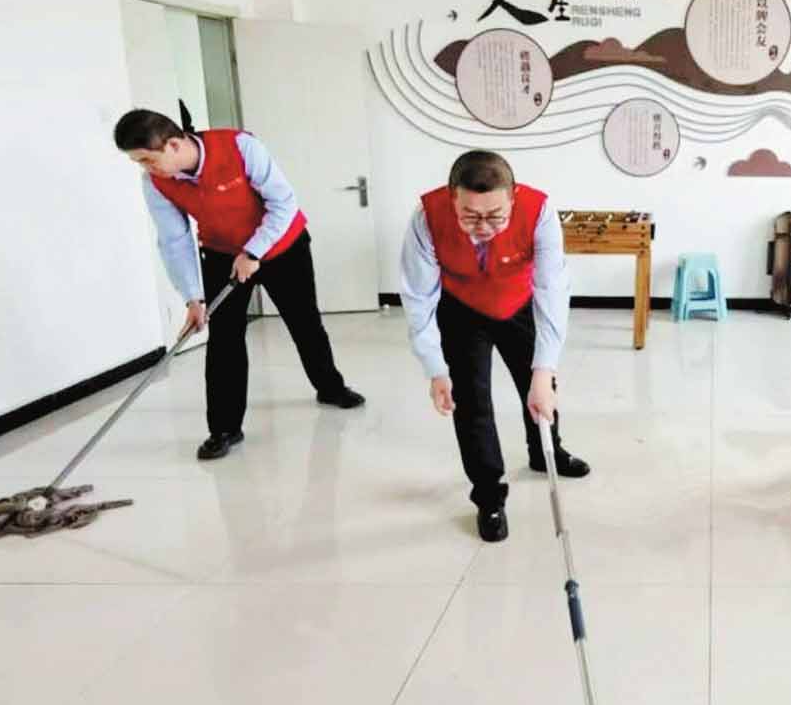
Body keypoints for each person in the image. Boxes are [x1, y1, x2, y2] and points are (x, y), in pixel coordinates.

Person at [115, 109, 364, 461]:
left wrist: (254, 251)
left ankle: (330, 387)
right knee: (224, 339)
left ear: (173, 145)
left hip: (282, 246)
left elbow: (283, 203)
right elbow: (174, 240)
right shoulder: (155, 182)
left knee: (304, 321)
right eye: (138, 162)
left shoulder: (240, 147)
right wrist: (193, 298)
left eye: (148, 159)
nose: (145, 168)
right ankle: (224, 428)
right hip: (221, 252)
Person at [399, 150, 589, 542]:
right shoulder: (425, 217)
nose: (483, 226)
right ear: (452, 197)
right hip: (462, 307)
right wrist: (435, 368)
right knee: (470, 401)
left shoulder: (540, 212)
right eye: (470, 215)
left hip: (519, 302)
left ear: (513, 197)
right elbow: (418, 298)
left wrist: (544, 370)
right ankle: (488, 495)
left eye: (495, 215)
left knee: (539, 388)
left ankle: (545, 452)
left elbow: (553, 291)